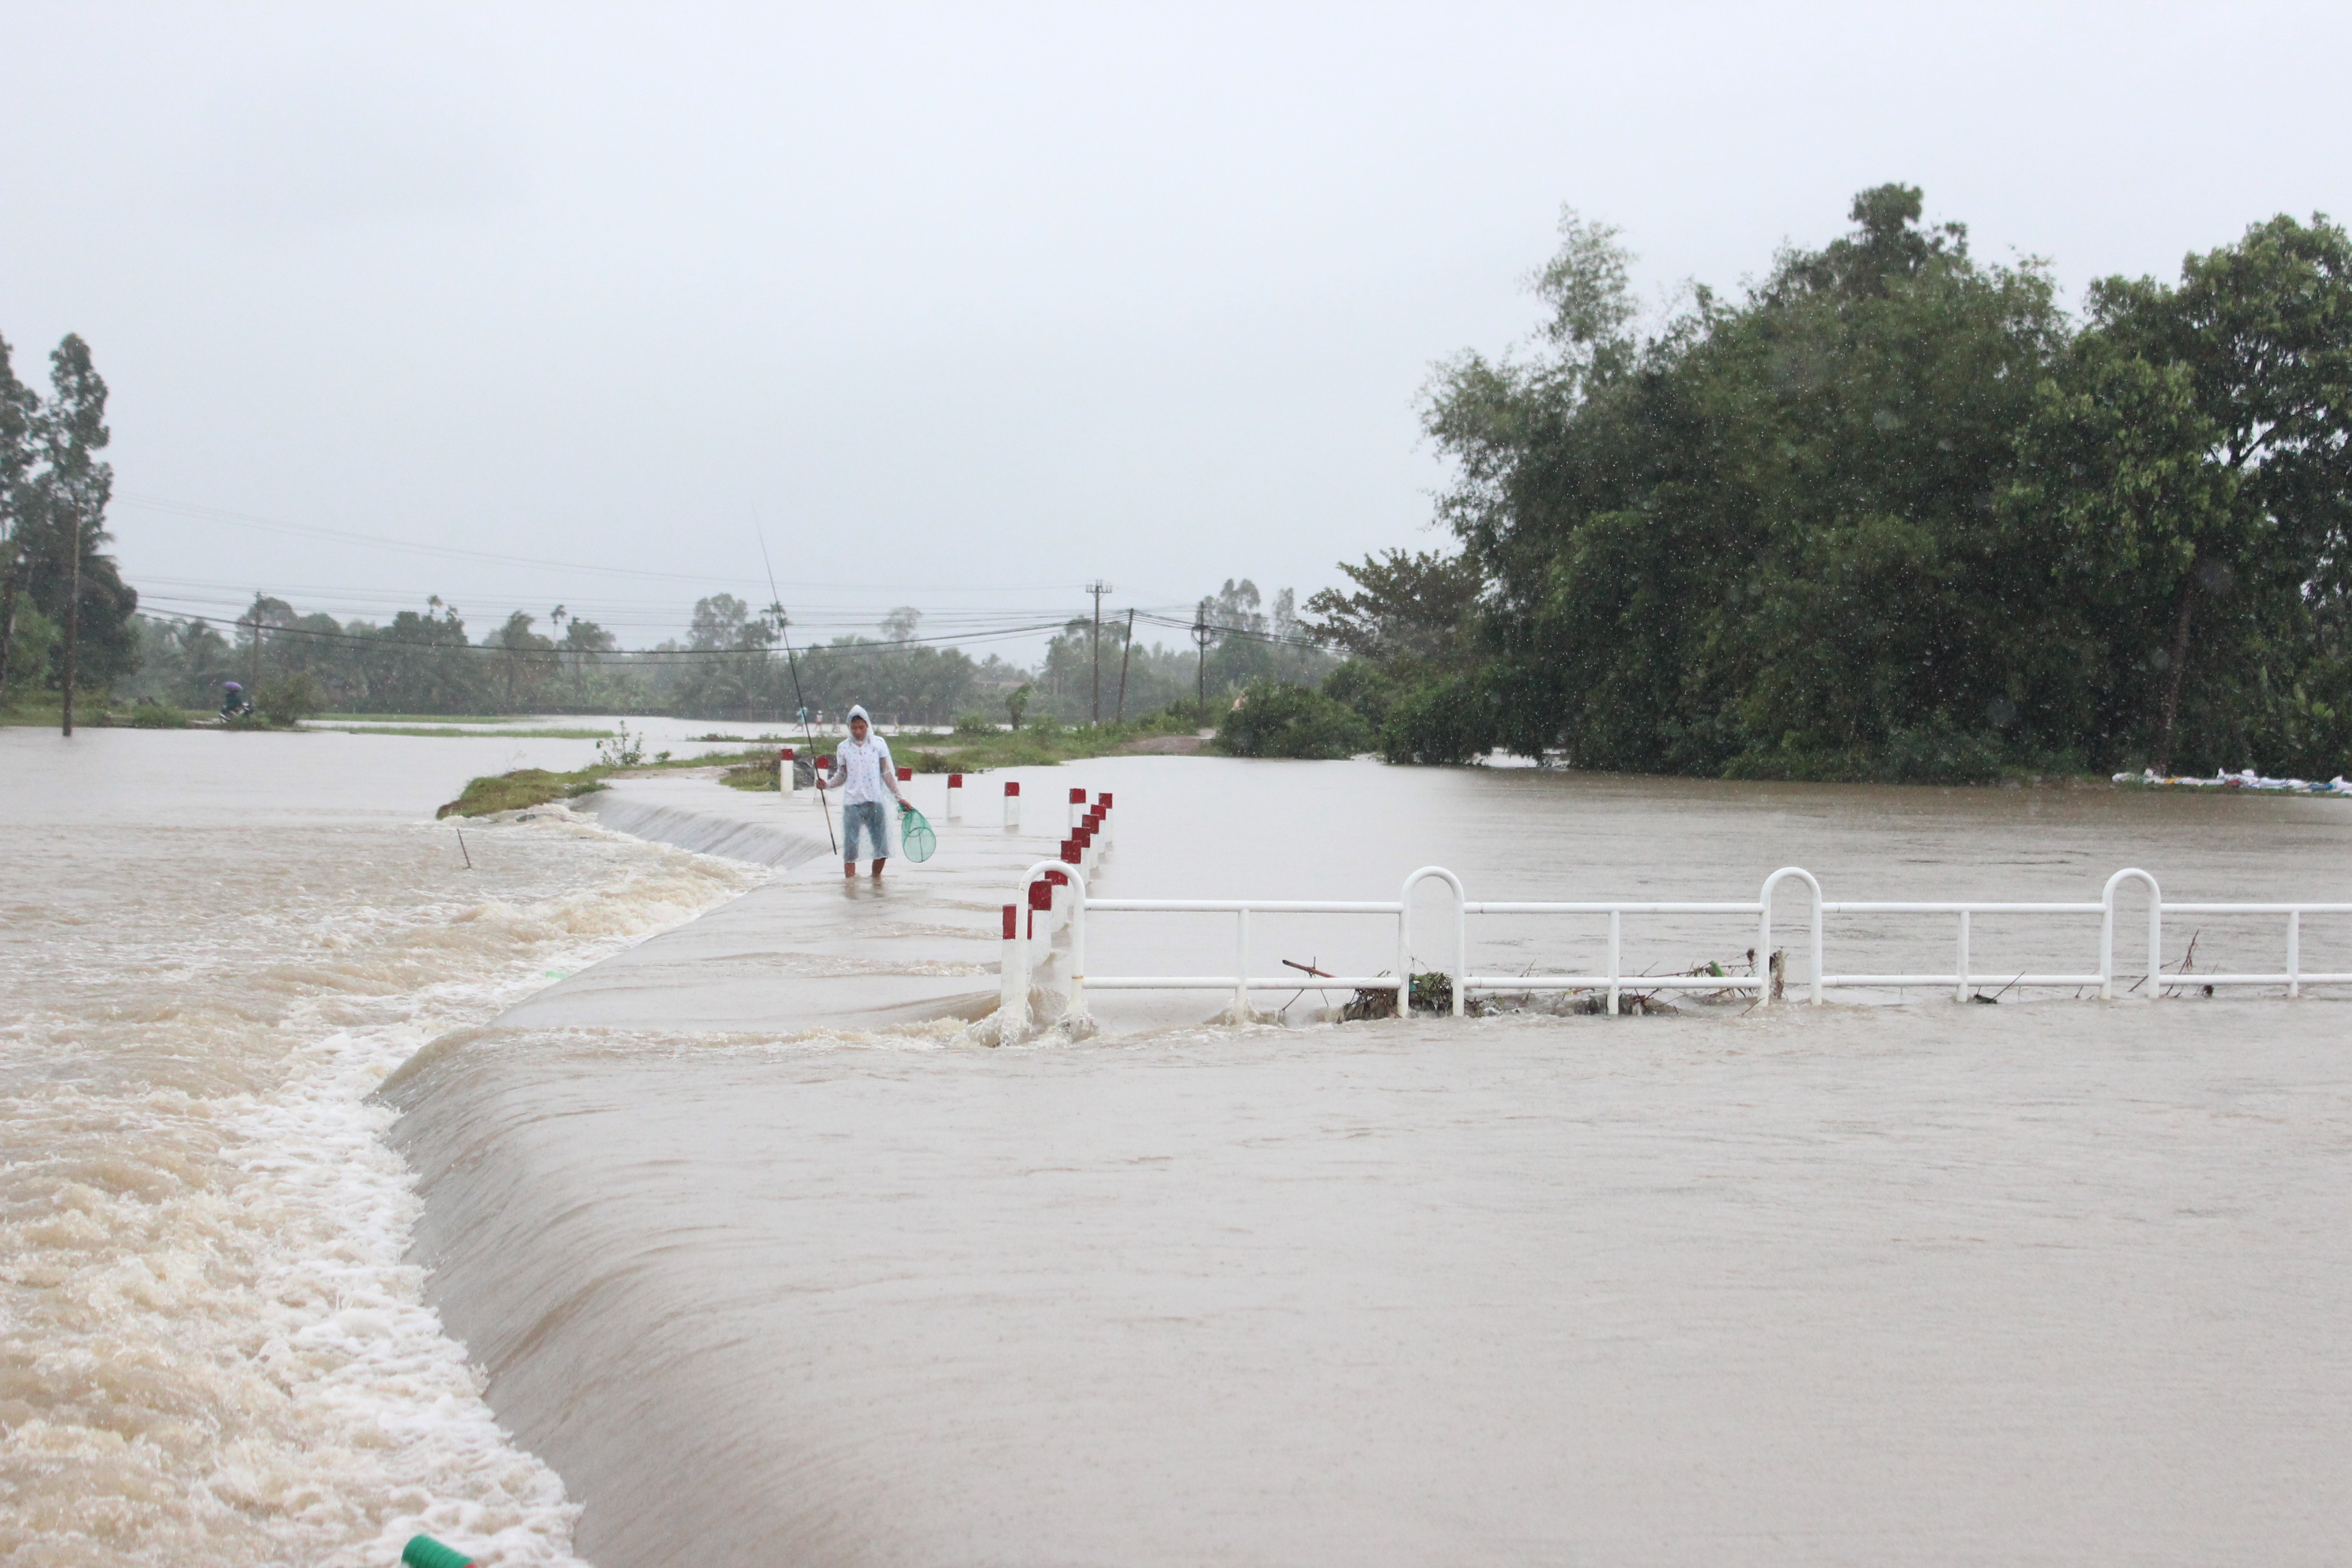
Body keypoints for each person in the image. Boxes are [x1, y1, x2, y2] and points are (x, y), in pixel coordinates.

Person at [815, 704, 913, 879]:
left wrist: (900, 799)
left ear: (868, 725)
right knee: (850, 850)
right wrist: (827, 785)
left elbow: (887, 774)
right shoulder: (843, 748)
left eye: (861, 727)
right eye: (854, 728)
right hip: (852, 804)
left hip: (876, 802)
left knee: (882, 848)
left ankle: (876, 882)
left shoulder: (878, 744)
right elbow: (842, 775)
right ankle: (850, 886)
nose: (858, 731)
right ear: (849, 728)